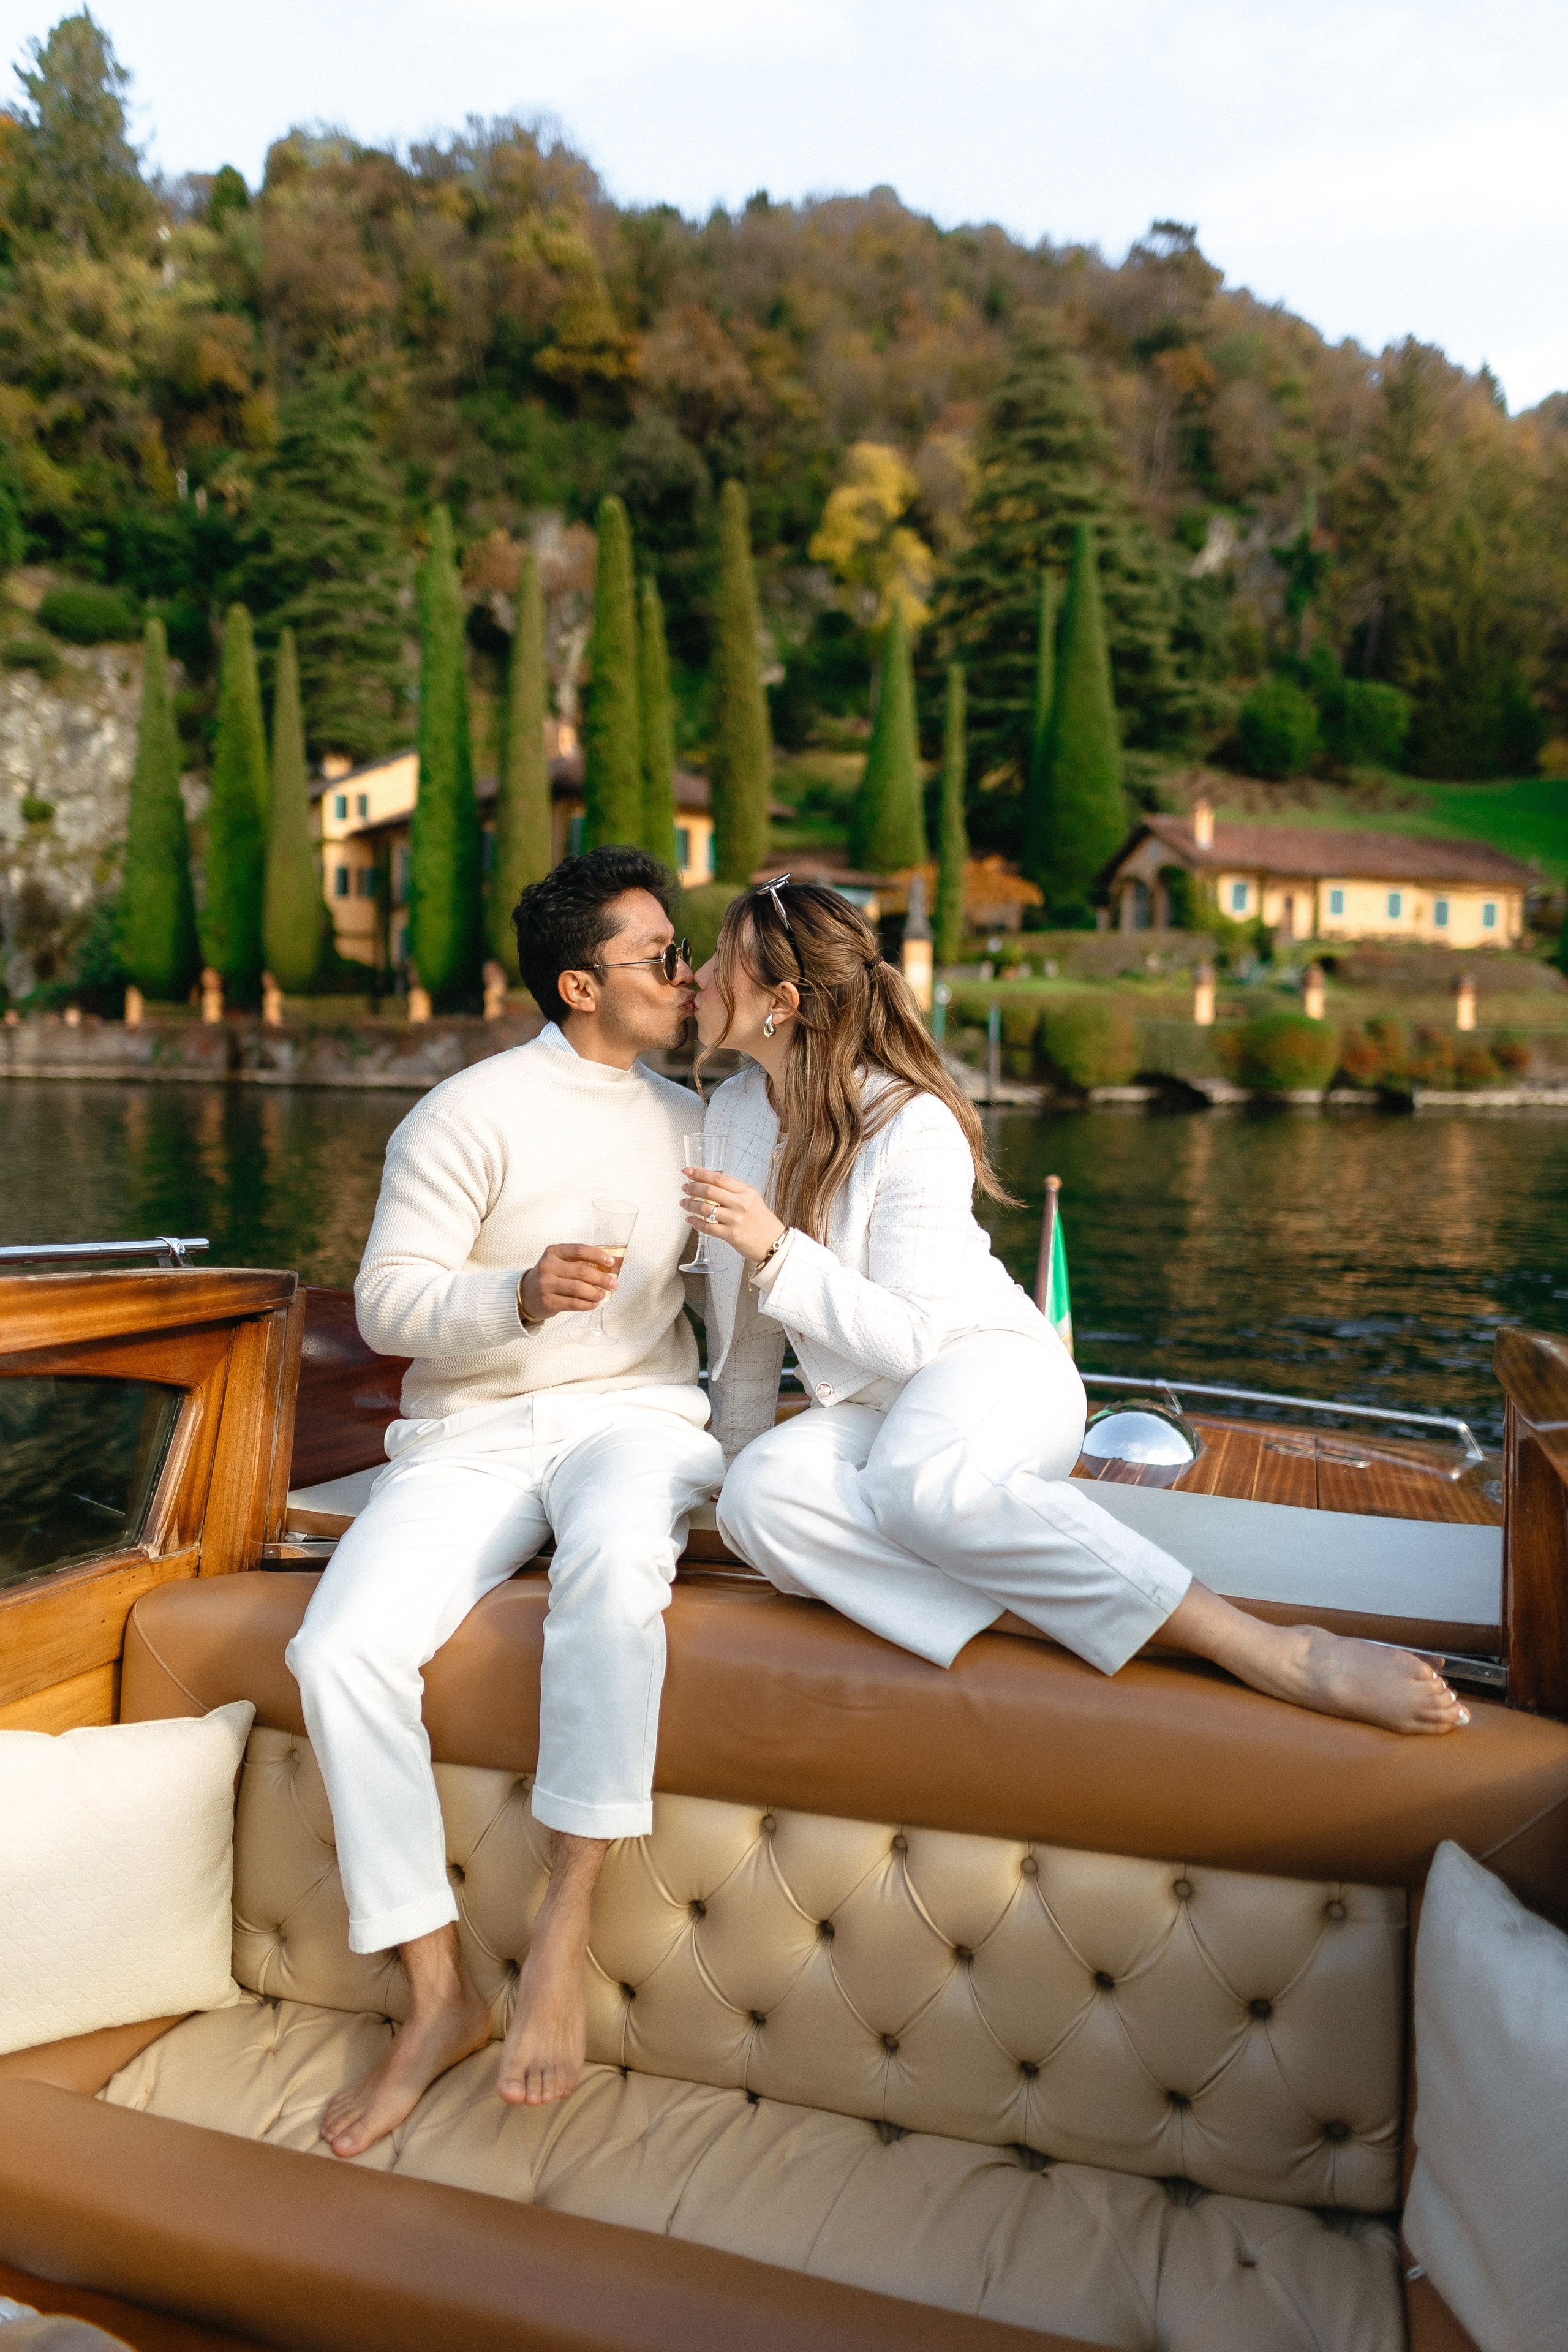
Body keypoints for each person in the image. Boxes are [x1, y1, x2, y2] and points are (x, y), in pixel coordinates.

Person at [685, 876, 1468, 1740]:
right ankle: (1080, 1617)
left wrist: (775, 1249)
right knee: (759, 1498)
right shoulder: (728, 1114)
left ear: (782, 1003)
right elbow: (746, 1340)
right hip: (873, 1407)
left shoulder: (912, 1124)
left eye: (722, 963)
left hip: (987, 1367)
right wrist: (723, 1480)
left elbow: (912, 1338)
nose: (700, 979)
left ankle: (1265, 1650)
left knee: (918, 1486)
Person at [286, 847, 722, 2159]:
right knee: (338, 1648)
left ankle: (559, 1936)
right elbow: (386, 1304)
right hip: (471, 1433)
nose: (684, 975)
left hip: (637, 1421)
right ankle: (435, 1995)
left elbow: (738, 1319)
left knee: (609, 1569)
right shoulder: (465, 1114)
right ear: (581, 984)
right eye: (660, 957)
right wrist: (516, 1295)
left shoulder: (701, 1121)